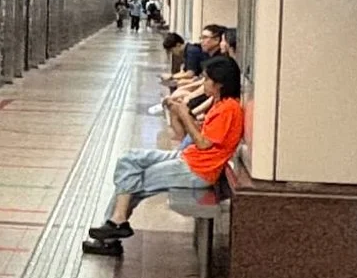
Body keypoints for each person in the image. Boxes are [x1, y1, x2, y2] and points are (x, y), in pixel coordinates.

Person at [85, 54, 243, 254]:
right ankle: (116, 222)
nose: (204, 83)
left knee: (135, 180)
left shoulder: (229, 109)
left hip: (197, 170)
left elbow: (203, 143)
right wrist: (180, 111)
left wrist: (184, 115)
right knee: (129, 161)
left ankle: (111, 232)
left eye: (207, 79)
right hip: (189, 158)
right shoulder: (220, 103)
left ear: (219, 84)